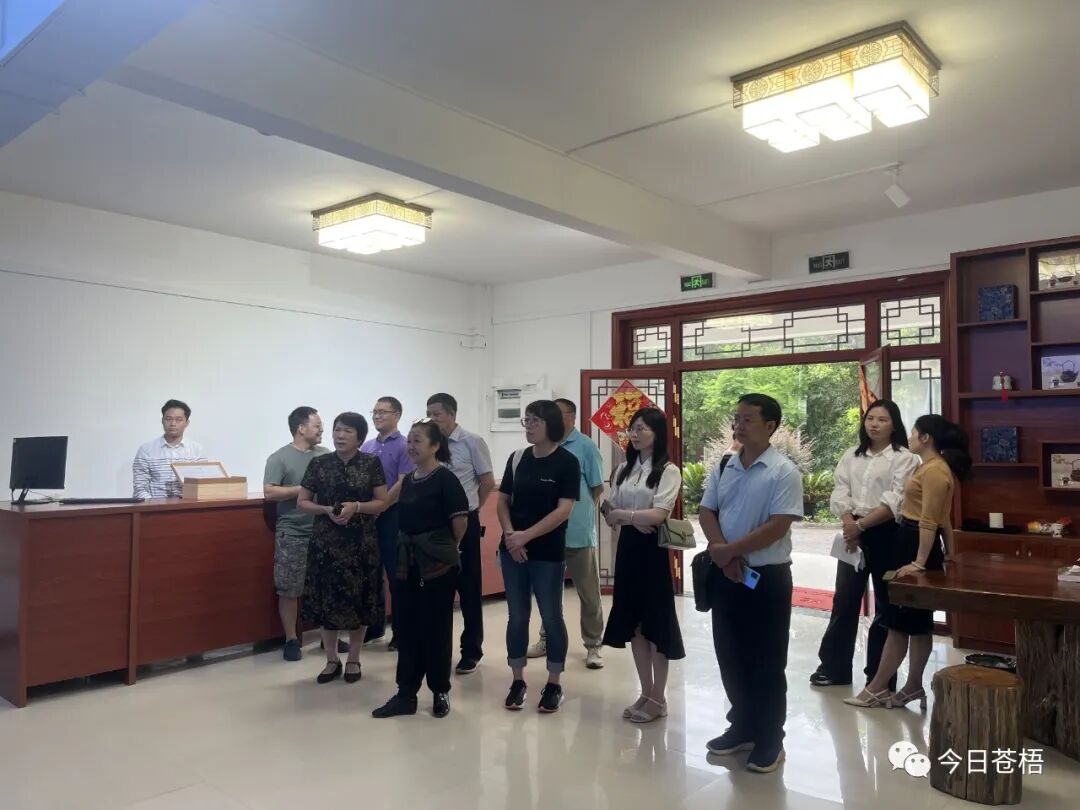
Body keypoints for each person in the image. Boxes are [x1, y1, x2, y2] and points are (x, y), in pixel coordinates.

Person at [700, 393, 804, 774]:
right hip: (727, 573)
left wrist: (730, 552)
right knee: (730, 654)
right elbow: (706, 510)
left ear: (770, 426)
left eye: (747, 419)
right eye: (737, 418)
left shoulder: (783, 471)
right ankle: (742, 725)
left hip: (766, 577)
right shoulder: (725, 464)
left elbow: (778, 525)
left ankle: (770, 739)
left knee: (767, 660)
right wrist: (722, 553)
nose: (738, 425)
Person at [846, 414, 970, 711]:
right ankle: (912, 685)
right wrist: (949, 553)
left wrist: (919, 562)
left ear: (926, 438)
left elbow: (931, 521)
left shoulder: (935, 470)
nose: (910, 437)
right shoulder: (928, 466)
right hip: (910, 541)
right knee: (916, 622)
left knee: (898, 622)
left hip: (915, 544)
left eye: (914, 433)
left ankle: (877, 688)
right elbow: (943, 520)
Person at [810, 400, 917, 689]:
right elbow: (840, 490)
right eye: (870, 418)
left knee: (885, 604)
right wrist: (850, 524)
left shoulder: (905, 458)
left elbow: (895, 500)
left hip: (887, 533)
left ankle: (879, 678)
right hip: (852, 532)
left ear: (894, 424)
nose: (874, 424)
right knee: (844, 601)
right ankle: (834, 669)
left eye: (882, 419)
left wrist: (860, 526)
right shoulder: (851, 455)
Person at [372, 420, 469, 719]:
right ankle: (406, 693)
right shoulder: (408, 480)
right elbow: (385, 505)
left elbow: (459, 525)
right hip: (407, 564)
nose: (411, 446)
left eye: (417, 441)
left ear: (435, 446)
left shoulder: (446, 479)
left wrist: (437, 548)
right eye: (409, 441)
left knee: (436, 628)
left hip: (437, 565)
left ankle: (440, 690)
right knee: (407, 628)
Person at [601, 406, 685, 723]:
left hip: (653, 553)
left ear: (657, 433)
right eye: (632, 429)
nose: (635, 434)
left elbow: (659, 515)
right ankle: (645, 691)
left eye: (641, 429)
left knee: (655, 625)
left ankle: (659, 697)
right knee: (635, 625)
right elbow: (610, 510)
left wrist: (626, 516)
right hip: (628, 549)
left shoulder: (668, 471)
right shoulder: (624, 469)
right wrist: (629, 517)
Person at [497, 400, 579, 713]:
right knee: (517, 616)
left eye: (535, 421)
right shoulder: (518, 458)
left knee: (551, 616)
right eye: (527, 420)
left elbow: (563, 510)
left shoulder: (567, 462)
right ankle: (517, 680)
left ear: (551, 424)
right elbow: (503, 501)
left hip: (547, 553)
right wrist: (511, 537)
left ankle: (554, 682)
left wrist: (526, 536)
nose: (529, 426)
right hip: (513, 551)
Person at [297, 412, 388, 685]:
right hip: (326, 543)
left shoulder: (371, 463)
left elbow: (382, 502)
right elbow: (303, 501)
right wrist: (326, 510)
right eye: (337, 430)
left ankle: (354, 659)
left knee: (359, 602)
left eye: (347, 431)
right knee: (328, 602)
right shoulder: (319, 463)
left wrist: (357, 507)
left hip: (361, 543)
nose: (340, 435)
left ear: (360, 437)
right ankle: (331, 659)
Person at [528, 398, 606, 669]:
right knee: (548, 592)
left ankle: (593, 645)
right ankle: (546, 639)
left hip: (578, 533)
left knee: (588, 592)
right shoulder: (543, 446)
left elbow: (597, 488)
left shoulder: (585, 446)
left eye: (557, 413)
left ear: (571, 417)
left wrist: (582, 518)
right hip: (549, 533)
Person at [426, 393, 495, 675]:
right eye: (429, 414)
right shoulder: (430, 444)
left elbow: (487, 481)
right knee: (435, 588)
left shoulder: (471, 442)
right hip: (434, 525)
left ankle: (471, 651)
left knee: (468, 588)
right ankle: (437, 650)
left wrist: (470, 509)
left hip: (465, 522)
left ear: (452, 414)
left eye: (437, 414)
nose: (432, 419)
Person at [263, 407, 330, 661]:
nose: (322, 430)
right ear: (301, 428)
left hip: (323, 531)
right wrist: (303, 490)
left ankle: (327, 637)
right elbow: (270, 492)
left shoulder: (325, 455)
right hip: (292, 533)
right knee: (289, 589)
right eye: (317, 425)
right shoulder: (279, 458)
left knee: (325, 587)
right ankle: (291, 639)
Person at [361, 396, 416, 649]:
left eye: (383, 412)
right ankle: (374, 628)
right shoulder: (367, 446)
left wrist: (381, 506)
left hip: (393, 515)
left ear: (397, 415)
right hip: (368, 515)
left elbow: (403, 482)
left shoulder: (405, 446)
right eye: (375, 412)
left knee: (396, 575)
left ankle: (402, 632)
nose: (378, 416)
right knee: (371, 574)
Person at [132, 399, 206, 498]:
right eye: (168, 419)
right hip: (154, 506)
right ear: (162, 421)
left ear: (187, 423)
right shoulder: (146, 450)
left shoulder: (197, 450)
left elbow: (202, 486)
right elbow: (140, 489)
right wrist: (155, 505)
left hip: (187, 505)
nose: (173, 423)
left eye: (179, 419)